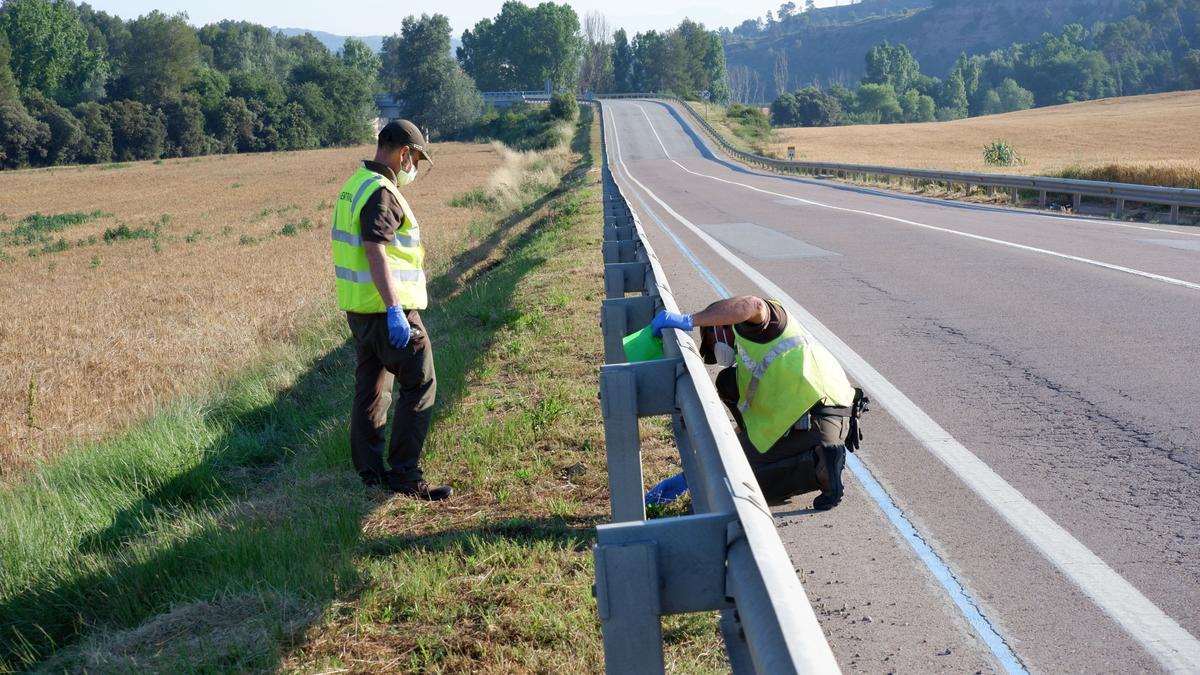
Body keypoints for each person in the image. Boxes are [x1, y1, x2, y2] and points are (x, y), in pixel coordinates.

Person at [329, 119, 452, 500]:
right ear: (402, 153)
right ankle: (404, 474)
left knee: (371, 389)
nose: (412, 167)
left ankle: (369, 475)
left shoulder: (356, 184)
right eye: (414, 158)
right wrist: (396, 309)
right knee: (420, 381)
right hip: (388, 311)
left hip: (361, 310)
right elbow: (375, 249)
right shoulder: (382, 192)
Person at [651, 297, 867, 510]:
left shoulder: (759, 326)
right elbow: (751, 416)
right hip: (828, 418)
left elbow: (753, 305)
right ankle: (815, 458)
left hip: (817, 419)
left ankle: (817, 465)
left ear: (721, 324)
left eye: (711, 342)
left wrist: (690, 320)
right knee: (727, 383)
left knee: (731, 482)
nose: (717, 352)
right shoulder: (749, 362)